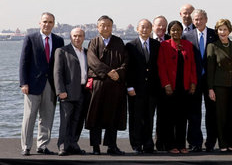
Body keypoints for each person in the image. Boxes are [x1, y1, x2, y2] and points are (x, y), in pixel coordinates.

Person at [19, 12, 64, 156]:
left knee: (47, 117)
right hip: (32, 85)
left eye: (50, 22)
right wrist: (23, 83)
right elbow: (23, 62)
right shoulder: (30, 38)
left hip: (51, 85)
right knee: (29, 117)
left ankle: (42, 145)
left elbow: (59, 65)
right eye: (45, 21)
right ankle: (26, 146)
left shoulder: (59, 40)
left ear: (54, 24)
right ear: (40, 23)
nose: (47, 24)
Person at [86, 15, 128, 155]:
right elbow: (92, 61)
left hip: (115, 84)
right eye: (102, 25)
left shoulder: (119, 42)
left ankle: (112, 146)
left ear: (112, 26)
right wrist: (108, 71)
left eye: (108, 25)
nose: (105, 28)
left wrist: (119, 73)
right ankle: (95, 146)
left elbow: (125, 62)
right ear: (97, 27)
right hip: (99, 84)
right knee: (95, 115)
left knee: (113, 115)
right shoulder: (93, 42)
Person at [158, 21, 197, 154]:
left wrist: (193, 83)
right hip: (170, 87)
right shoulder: (164, 45)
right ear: (169, 32)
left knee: (182, 118)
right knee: (170, 118)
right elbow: (161, 66)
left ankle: (181, 144)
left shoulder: (188, 45)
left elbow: (192, 65)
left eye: (178, 30)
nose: (176, 32)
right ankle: (170, 145)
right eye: (173, 30)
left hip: (184, 87)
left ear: (182, 31)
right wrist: (166, 84)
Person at [183, 9, 218, 152]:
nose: (198, 22)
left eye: (201, 19)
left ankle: (210, 143)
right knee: (193, 113)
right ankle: (195, 143)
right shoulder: (187, 36)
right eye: (196, 19)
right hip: (194, 80)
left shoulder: (214, 35)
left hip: (211, 81)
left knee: (212, 113)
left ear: (206, 19)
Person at [126, 19, 161, 154]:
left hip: (152, 89)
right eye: (142, 27)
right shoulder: (130, 45)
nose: (145, 30)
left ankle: (148, 144)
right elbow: (128, 68)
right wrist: (129, 86)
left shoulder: (156, 44)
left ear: (151, 29)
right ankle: (136, 144)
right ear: (137, 29)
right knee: (135, 118)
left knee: (149, 117)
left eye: (147, 27)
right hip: (136, 89)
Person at [207, 19, 232, 152]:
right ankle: (222, 144)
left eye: (225, 29)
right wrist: (210, 88)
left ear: (229, 31)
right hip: (218, 86)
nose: (222, 32)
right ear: (217, 31)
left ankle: (231, 144)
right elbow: (210, 69)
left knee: (231, 115)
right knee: (220, 116)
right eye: (220, 29)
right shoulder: (212, 46)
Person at [53, 28, 88, 156]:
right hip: (67, 92)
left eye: (80, 36)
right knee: (66, 120)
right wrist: (60, 91)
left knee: (78, 121)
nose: (77, 38)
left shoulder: (86, 52)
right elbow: (57, 73)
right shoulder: (62, 51)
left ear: (84, 37)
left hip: (83, 91)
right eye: (75, 36)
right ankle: (62, 146)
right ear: (70, 37)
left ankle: (73, 144)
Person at [151, 15, 169, 151]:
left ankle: (162, 143)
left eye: (164, 25)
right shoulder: (146, 39)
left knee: (164, 117)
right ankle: (145, 143)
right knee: (147, 117)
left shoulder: (171, 40)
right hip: (149, 86)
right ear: (153, 26)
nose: (161, 28)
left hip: (166, 85)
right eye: (158, 25)